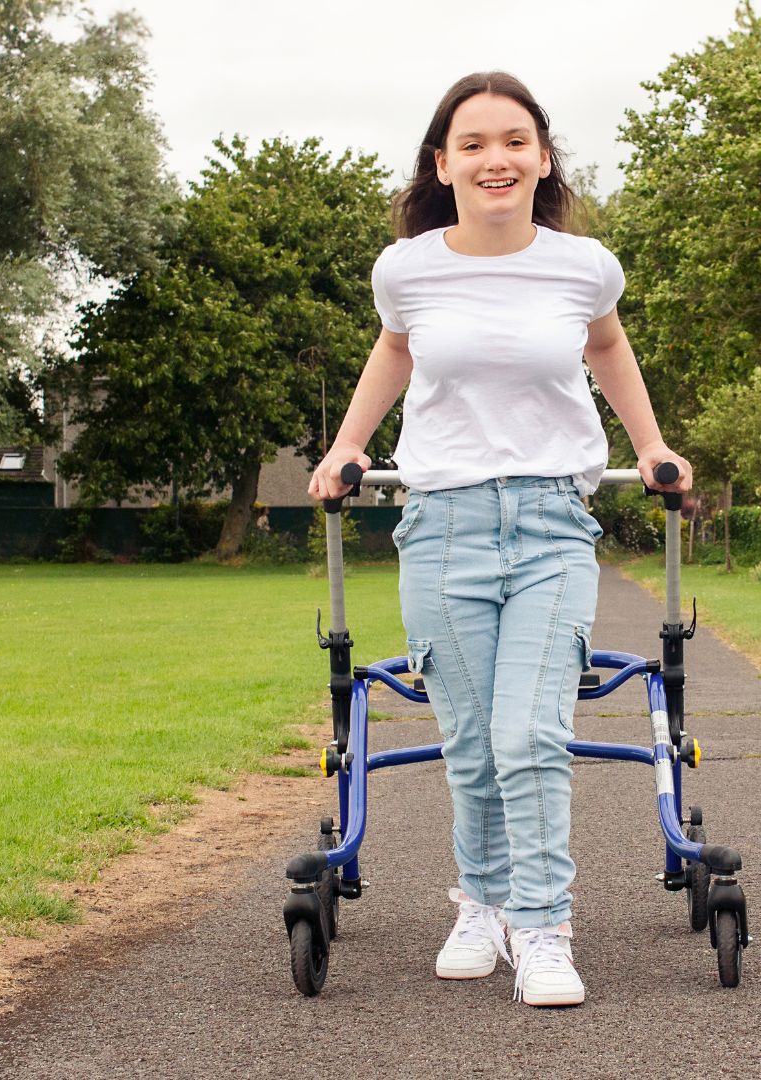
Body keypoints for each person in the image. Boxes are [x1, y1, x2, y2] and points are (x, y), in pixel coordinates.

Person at [307, 71, 691, 1007]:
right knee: (473, 744)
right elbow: (395, 350)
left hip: (554, 523)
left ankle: (545, 926)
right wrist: (350, 443)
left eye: (514, 141)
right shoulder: (405, 269)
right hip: (441, 526)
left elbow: (607, 348)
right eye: (472, 144)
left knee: (530, 733)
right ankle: (480, 905)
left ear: (543, 157)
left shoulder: (584, 264)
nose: (495, 159)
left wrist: (651, 445)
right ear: (442, 165)